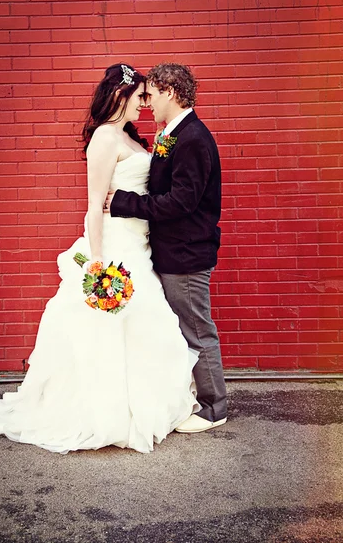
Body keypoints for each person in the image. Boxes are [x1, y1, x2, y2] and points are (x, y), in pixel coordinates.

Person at [0, 63, 198, 454]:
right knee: (110, 331)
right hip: (116, 249)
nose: (145, 103)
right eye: (139, 97)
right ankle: (107, 411)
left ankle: (143, 405)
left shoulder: (131, 137)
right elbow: (93, 208)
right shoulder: (104, 138)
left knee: (145, 327)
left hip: (140, 245)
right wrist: (97, 262)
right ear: (121, 96)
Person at [106, 63, 227, 433]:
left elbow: (180, 202)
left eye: (153, 94)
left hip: (187, 256)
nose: (148, 102)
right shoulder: (174, 133)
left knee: (196, 330)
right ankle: (197, 397)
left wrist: (123, 202)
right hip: (173, 252)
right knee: (185, 329)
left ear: (171, 93)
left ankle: (214, 408)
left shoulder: (191, 138)